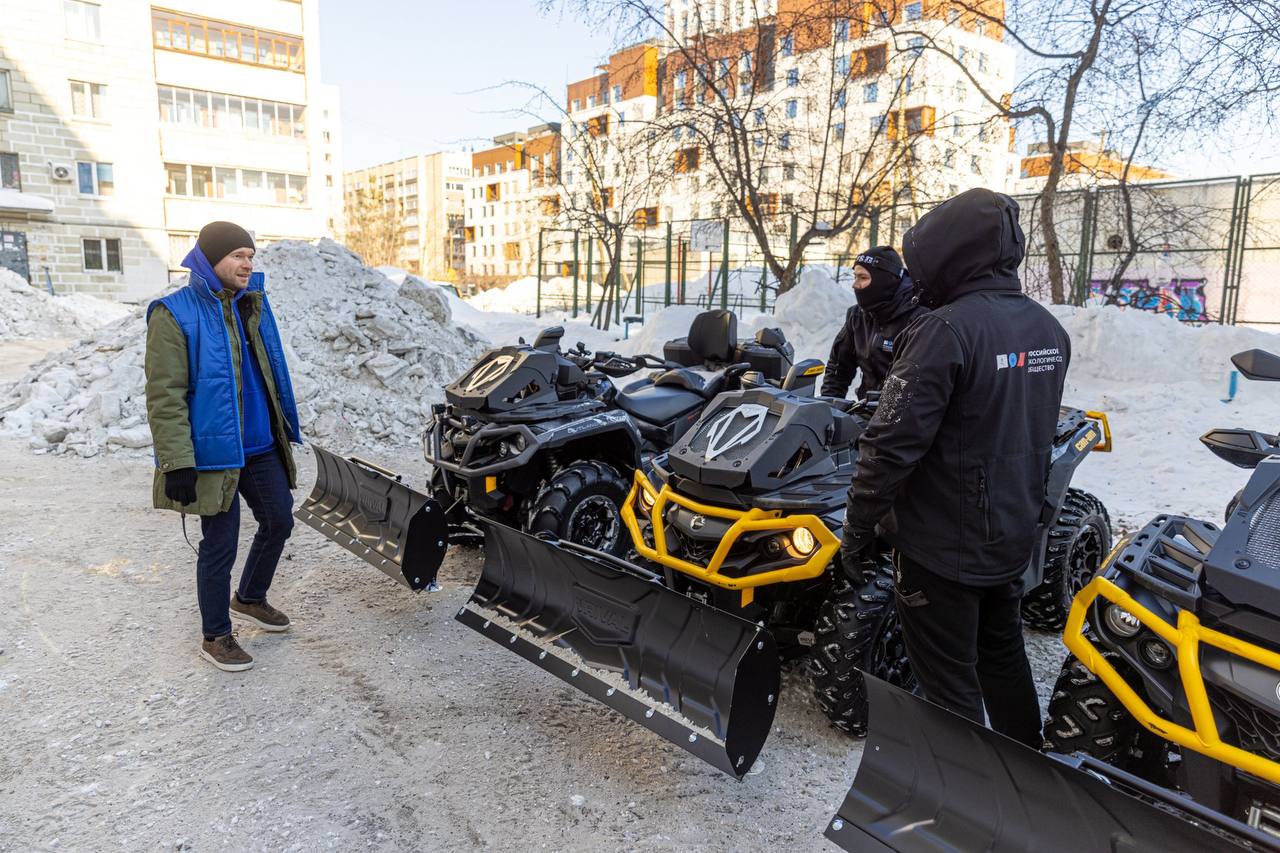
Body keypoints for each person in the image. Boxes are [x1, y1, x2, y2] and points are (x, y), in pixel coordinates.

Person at [840, 189, 1070, 748]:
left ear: (947, 256)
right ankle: (1025, 765)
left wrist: (859, 527)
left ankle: (967, 787)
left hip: (939, 547)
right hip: (1009, 531)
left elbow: (890, 442)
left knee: (947, 687)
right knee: (1001, 652)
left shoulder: (942, 331)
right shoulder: (1047, 330)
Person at [145, 221, 303, 672]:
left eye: (251, 256)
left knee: (279, 520)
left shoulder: (251, 303)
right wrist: (176, 461)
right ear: (211, 259)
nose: (247, 264)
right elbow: (165, 395)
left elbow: (269, 371)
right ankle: (215, 635)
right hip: (214, 451)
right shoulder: (173, 313)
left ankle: (250, 597)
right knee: (220, 543)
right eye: (238, 255)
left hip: (259, 443)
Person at [820, 246, 926, 400]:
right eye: (855, 277)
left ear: (884, 281)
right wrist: (829, 405)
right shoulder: (857, 316)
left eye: (863, 278)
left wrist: (882, 412)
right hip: (866, 406)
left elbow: (914, 380)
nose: (855, 284)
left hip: (901, 410)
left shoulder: (918, 319)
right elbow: (838, 368)